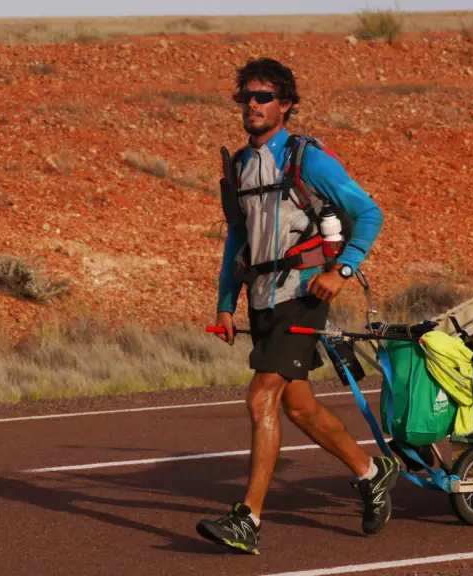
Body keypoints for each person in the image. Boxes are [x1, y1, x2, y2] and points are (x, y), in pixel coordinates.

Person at [196, 57, 399, 555]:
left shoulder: (308, 159)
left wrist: (341, 271)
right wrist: (226, 303)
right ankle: (371, 471)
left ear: (285, 105)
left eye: (263, 97)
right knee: (299, 405)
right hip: (263, 297)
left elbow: (367, 212)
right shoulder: (241, 166)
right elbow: (236, 241)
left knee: (260, 398)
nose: (252, 105)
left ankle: (249, 519)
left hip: (305, 294)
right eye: (246, 96)